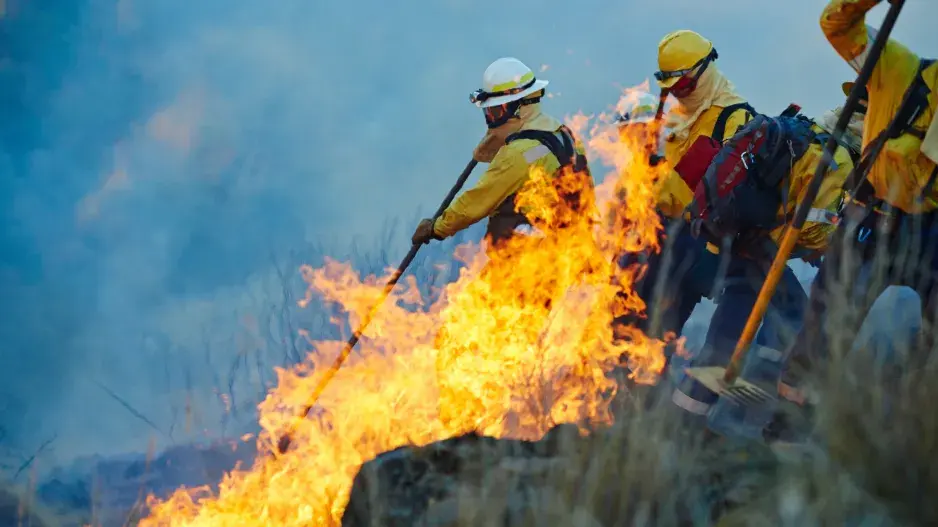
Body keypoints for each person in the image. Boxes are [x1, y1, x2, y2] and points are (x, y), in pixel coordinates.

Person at [765, 0, 937, 441]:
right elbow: (837, 23)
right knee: (828, 326)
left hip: (932, 232)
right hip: (874, 219)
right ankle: (790, 429)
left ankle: (903, 433)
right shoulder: (901, 71)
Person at [411, 56, 597, 433]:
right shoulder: (557, 133)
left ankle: (470, 428)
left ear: (519, 105)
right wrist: (491, 141)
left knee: (465, 340)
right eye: (488, 110)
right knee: (497, 346)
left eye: (496, 110)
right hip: (553, 260)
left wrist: (437, 227)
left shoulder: (521, 152)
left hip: (527, 269)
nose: (490, 117)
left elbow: (478, 199)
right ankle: (492, 424)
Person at [642, 29, 809, 436]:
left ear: (705, 71)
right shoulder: (679, 116)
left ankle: (695, 421)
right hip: (671, 236)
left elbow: (736, 194)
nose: (676, 93)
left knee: (752, 319)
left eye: (683, 84)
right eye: (669, 86)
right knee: (654, 332)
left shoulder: (735, 118)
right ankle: (645, 420)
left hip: (711, 242)